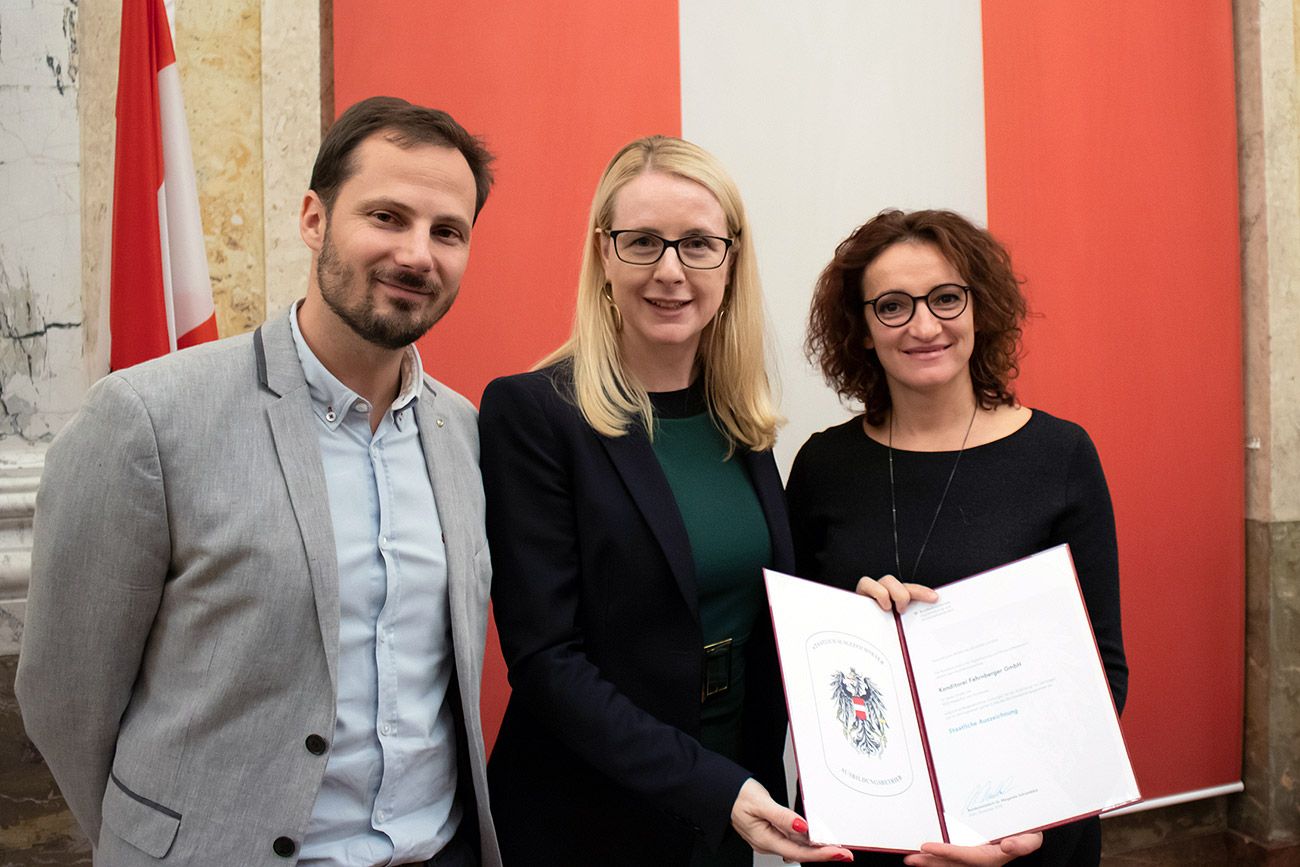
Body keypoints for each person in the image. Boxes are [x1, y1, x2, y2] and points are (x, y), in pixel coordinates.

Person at [16, 96, 501, 867]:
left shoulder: (465, 432)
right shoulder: (148, 418)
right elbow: (64, 695)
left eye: (448, 231)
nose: (417, 254)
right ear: (314, 218)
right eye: (386, 217)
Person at [478, 136, 854, 866]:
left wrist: (864, 609)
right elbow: (547, 660)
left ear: (731, 260)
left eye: (698, 244)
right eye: (643, 241)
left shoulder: (738, 418)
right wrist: (711, 787)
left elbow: (763, 610)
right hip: (589, 822)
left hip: (726, 814)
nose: (671, 271)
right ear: (604, 253)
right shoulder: (534, 413)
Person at [788, 209, 1127, 867]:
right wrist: (854, 621)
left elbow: (1102, 670)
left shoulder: (1060, 455)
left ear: (980, 309)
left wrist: (1022, 821)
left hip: (1024, 833)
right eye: (892, 306)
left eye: (946, 298)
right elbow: (800, 665)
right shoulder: (823, 465)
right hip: (868, 832)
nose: (924, 326)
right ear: (861, 330)